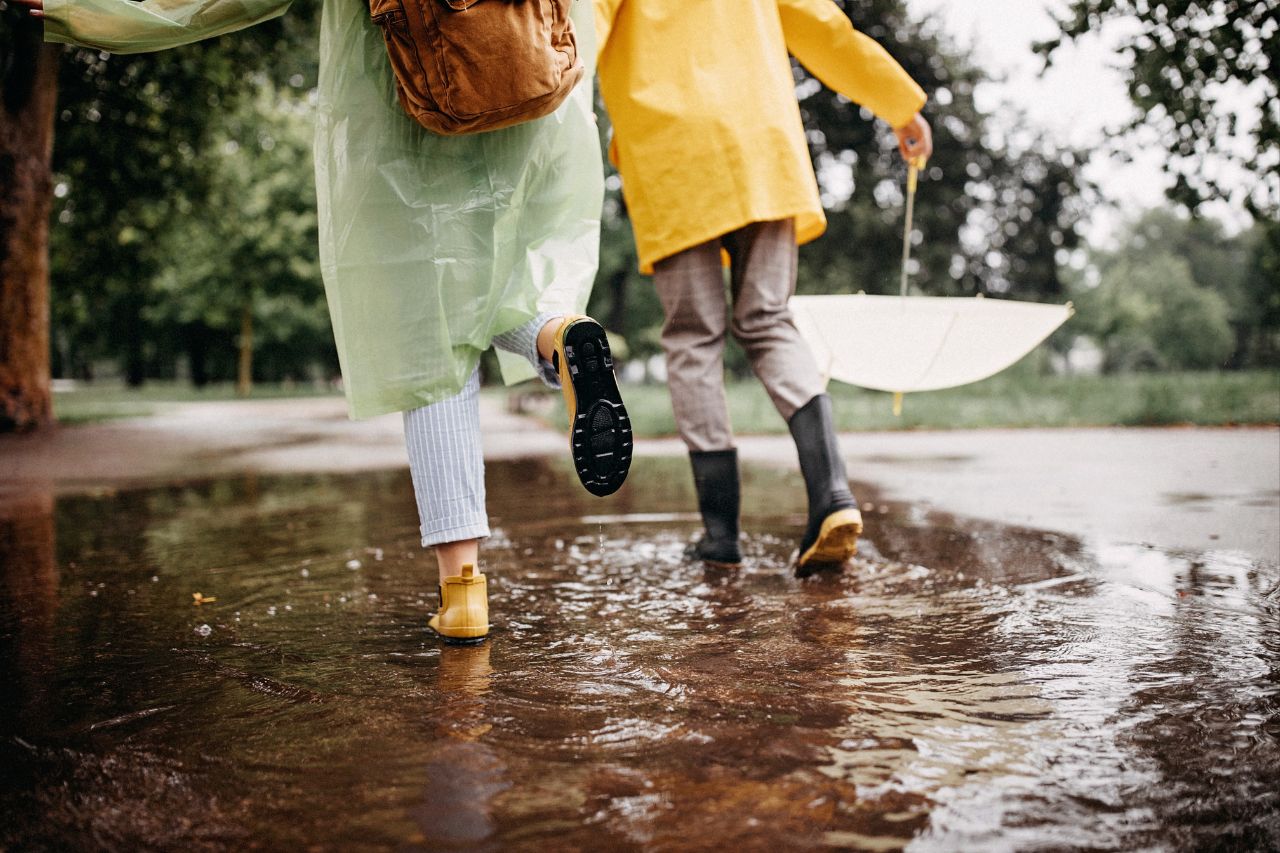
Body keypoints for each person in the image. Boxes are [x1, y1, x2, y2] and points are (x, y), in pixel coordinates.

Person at [20, 0, 631, 643]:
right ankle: (556, 338)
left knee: (428, 331)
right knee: (513, 277)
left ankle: (464, 595)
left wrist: (84, 10)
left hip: (411, 99)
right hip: (533, 80)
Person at [592, 0, 932, 575]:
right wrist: (900, 105)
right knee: (768, 319)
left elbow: (573, 35)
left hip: (670, 152)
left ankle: (720, 534)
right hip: (760, 144)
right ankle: (832, 495)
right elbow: (824, 29)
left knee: (695, 337)